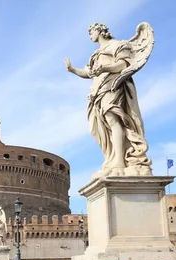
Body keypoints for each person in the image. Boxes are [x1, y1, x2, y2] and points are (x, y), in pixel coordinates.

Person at [64, 22, 154, 178]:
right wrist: (72, 70)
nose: (90, 35)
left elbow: (124, 64)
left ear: (100, 31)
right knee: (101, 126)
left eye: (91, 31)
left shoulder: (117, 45)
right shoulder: (96, 53)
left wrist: (105, 68)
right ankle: (111, 158)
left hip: (113, 85)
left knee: (114, 120)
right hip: (98, 90)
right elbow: (89, 73)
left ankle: (119, 161)